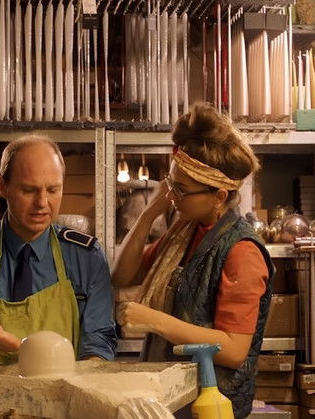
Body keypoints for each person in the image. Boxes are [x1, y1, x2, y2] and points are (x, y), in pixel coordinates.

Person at [113, 103, 274, 418]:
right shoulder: (183, 233)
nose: (172, 196)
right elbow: (123, 275)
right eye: (170, 184)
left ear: (219, 196)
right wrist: (150, 212)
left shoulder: (242, 251)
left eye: (182, 190)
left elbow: (234, 349)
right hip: (173, 400)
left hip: (211, 405)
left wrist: (155, 320)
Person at [0, 135, 117, 364]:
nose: (42, 202)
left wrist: (77, 374)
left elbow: (99, 341)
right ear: (3, 186)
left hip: (65, 385)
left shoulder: (87, 256)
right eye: (29, 190)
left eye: (53, 190)